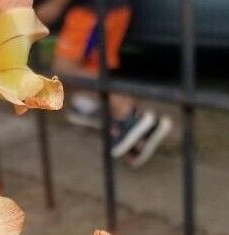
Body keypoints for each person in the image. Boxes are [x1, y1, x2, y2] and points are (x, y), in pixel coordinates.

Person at [36, 0, 172, 168]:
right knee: (89, 68)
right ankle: (132, 131)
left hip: (93, 12)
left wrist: (46, 12)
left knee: (64, 71)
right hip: (110, 9)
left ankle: (128, 112)